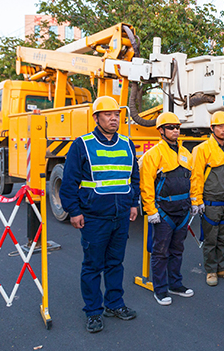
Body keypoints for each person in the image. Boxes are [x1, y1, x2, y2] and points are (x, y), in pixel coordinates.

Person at [59, 96, 139, 333]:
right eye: (107, 114)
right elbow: (70, 181)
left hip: (121, 215)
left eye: (116, 114)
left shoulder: (127, 143)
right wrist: (73, 211)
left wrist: (133, 203)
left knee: (115, 263)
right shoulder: (81, 145)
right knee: (93, 265)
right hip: (94, 217)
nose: (113, 118)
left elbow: (132, 177)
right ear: (96, 117)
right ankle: (93, 312)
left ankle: (114, 304)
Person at [139, 112, 194, 306]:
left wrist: (195, 201)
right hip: (163, 212)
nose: (175, 130)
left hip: (183, 210)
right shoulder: (154, 154)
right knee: (161, 251)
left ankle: (175, 284)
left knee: (177, 249)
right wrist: (150, 210)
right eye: (171, 127)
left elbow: (192, 179)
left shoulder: (185, 153)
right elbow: (146, 184)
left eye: (177, 127)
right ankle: (160, 289)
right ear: (161, 130)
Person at [190, 110, 224, 286]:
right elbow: (196, 175)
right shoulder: (202, 149)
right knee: (211, 240)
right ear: (212, 128)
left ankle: (221, 268)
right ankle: (211, 271)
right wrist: (196, 200)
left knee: (223, 239)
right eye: (220, 126)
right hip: (211, 204)